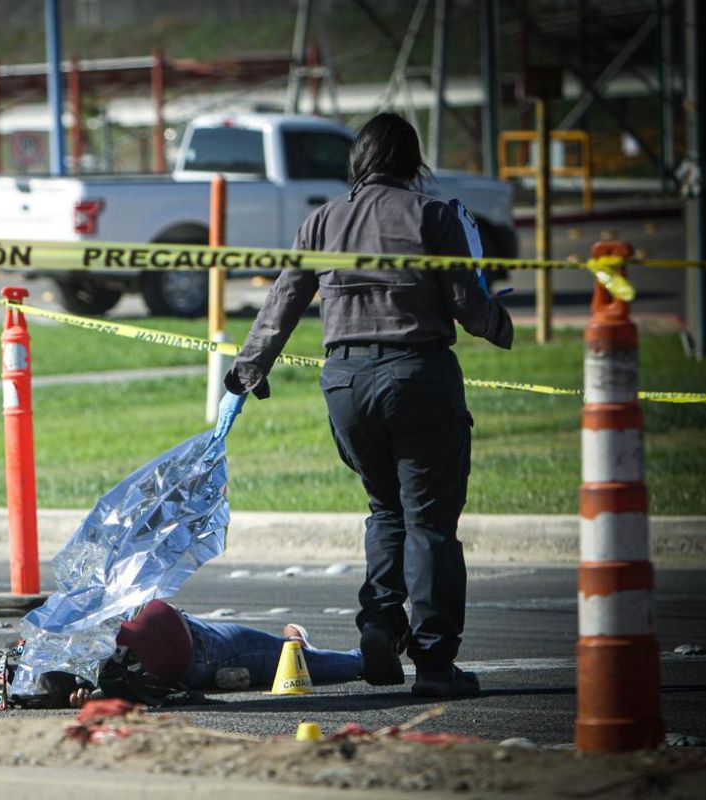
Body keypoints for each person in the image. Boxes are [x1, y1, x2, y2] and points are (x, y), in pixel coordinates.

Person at [222, 112, 513, 698]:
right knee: (430, 525)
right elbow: (468, 305)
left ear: (357, 161)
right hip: (417, 375)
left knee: (385, 511)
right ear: (413, 163)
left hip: (345, 383)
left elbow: (283, 301)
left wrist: (250, 366)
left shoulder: (320, 222)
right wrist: (500, 320)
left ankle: (379, 624)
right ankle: (434, 665)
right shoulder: (433, 215)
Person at [0, 600, 363, 708]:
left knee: (287, 659)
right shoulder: (32, 674)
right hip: (199, 652)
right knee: (294, 666)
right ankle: (351, 657)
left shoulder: (30, 661)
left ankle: (306, 647)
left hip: (194, 639)